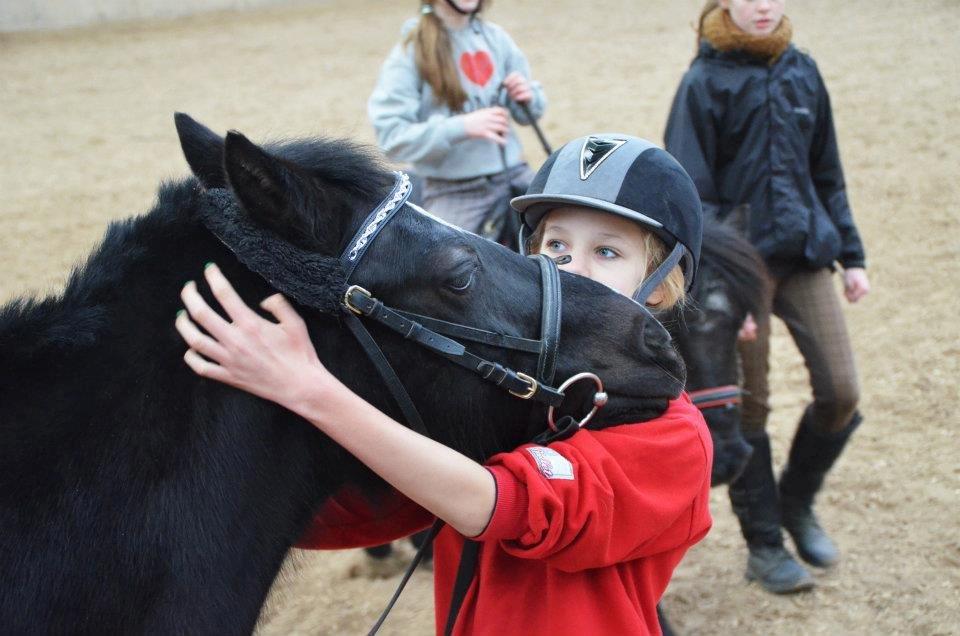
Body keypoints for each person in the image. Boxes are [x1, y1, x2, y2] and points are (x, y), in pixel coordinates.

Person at [175, 135, 711, 635]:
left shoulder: (675, 436)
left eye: (607, 252)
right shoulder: (511, 398)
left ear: (661, 287)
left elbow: (503, 506)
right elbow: (374, 509)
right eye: (557, 246)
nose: (571, 269)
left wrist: (309, 389)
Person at [664, 0, 870, 594]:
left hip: (806, 253)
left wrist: (852, 256)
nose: (762, 6)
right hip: (739, 265)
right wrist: (717, 290)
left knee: (841, 390)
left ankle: (796, 504)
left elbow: (826, 170)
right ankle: (765, 546)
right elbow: (688, 194)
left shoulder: (803, 69)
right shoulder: (703, 80)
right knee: (748, 410)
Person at [367, 0, 546, 242]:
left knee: (564, 227)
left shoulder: (496, 38)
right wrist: (461, 128)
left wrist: (526, 97)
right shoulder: (411, 52)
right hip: (454, 189)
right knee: (441, 262)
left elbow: (527, 114)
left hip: (514, 174)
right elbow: (392, 138)